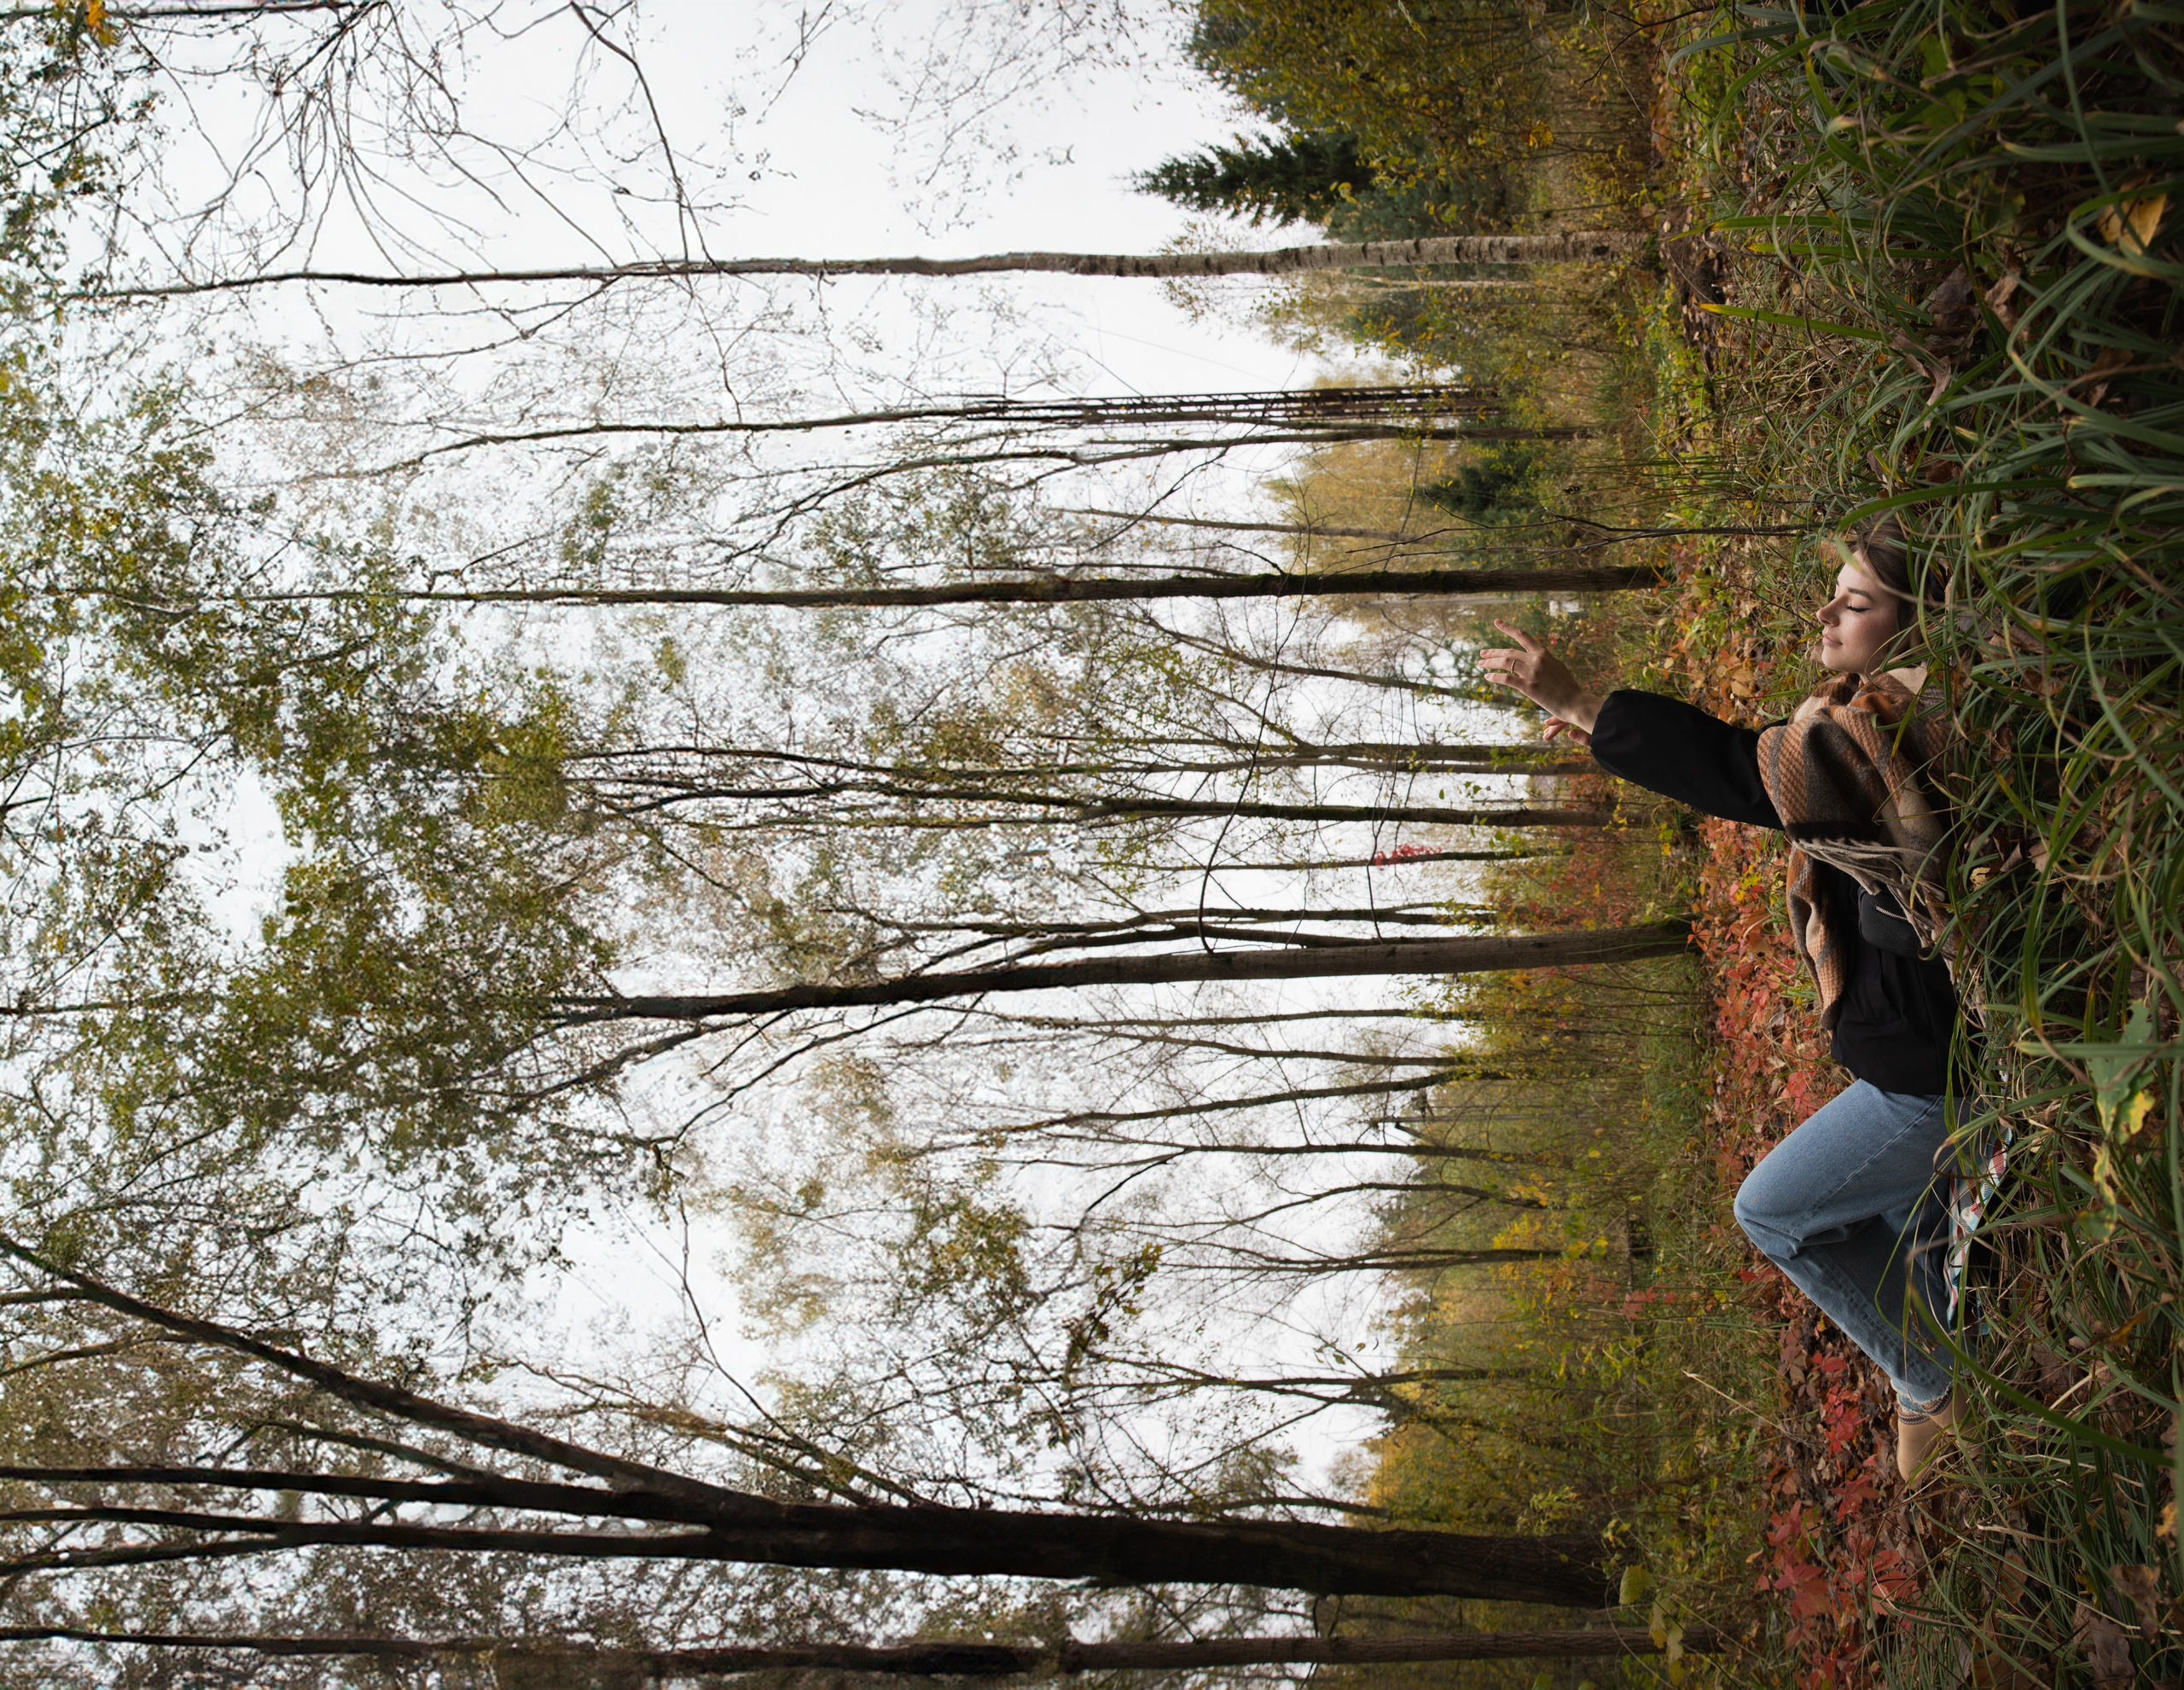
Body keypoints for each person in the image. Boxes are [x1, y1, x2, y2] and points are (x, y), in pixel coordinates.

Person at [1480, 522, 1965, 1482]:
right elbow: (1783, 776)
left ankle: (1932, 1379)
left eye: (1856, 602)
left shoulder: (1888, 722)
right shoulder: (1873, 716)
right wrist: (1588, 720)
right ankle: (1937, 1252)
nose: (1826, 613)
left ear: (1917, 630)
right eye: (1834, 594)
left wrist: (1584, 699)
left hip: (1934, 1072)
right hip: (1920, 1047)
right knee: (1869, 1224)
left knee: (1774, 1214)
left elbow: (1754, 775)